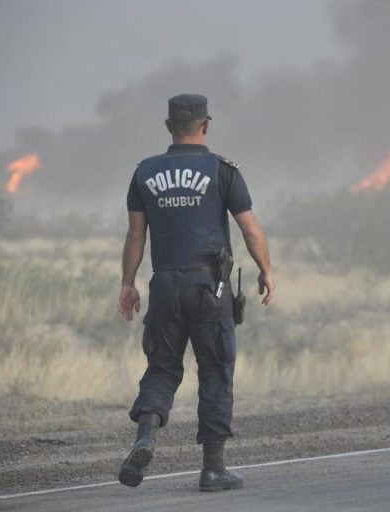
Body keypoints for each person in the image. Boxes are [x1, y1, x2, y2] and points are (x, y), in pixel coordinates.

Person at [117, 93, 275, 492]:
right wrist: (266, 271)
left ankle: (147, 438)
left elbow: (136, 235)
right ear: (206, 125)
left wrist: (127, 283)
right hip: (210, 286)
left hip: (165, 284)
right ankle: (213, 468)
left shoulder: (144, 173)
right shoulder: (223, 171)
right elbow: (250, 229)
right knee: (216, 371)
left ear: (168, 127)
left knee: (162, 368)